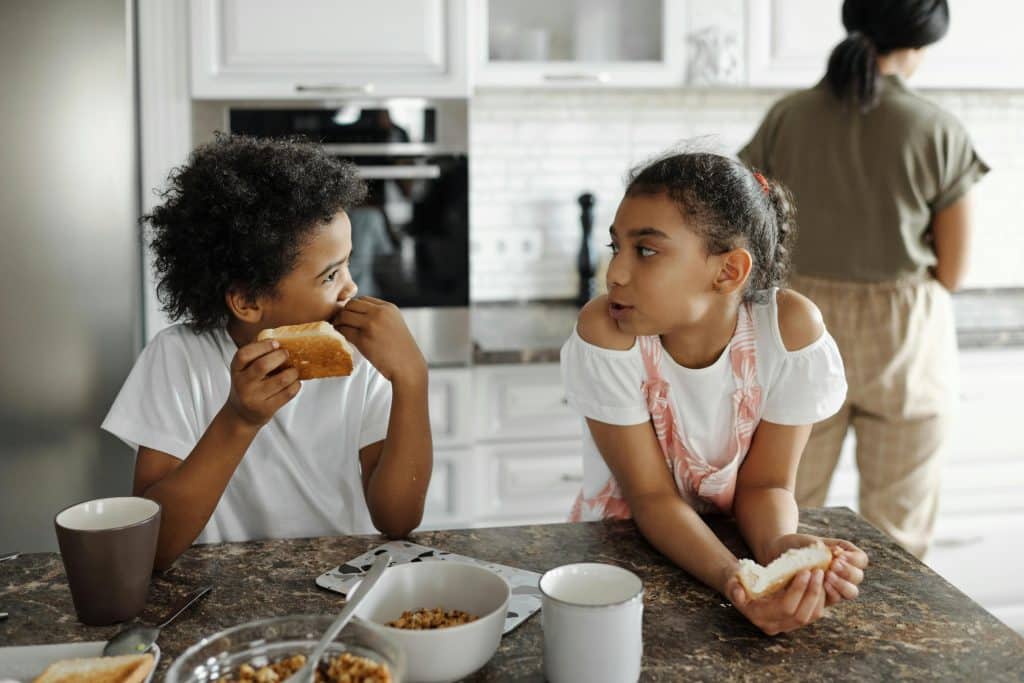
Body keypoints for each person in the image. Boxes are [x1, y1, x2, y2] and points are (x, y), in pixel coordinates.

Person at [561, 151, 868, 635]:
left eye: (645, 251)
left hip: (736, 540)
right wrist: (736, 581)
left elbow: (765, 486)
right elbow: (651, 497)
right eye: (615, 247)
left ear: (727, 272)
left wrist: (776, 548)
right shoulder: (609, 334)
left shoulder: (787, 333)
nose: (615, 273)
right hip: (619, 558)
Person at [102, 134, 433, 569]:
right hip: (219, 589)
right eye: (330, 275)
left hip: (340, 584)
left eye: (347, 264)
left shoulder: (365, 359)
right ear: (248, 301)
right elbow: (153, 547)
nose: (351, 288)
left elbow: (398, 520)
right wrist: (239, 419)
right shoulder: (178, 358)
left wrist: (412, 379)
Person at [738, 0, 988, 558]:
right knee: (900, 529)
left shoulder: (788, 116)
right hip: (903, 337)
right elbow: (953, 270)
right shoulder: (938, 128)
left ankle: (781, 620)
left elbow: (742, 219)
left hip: (797, 321)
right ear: (919, 44)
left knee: (784, 510)